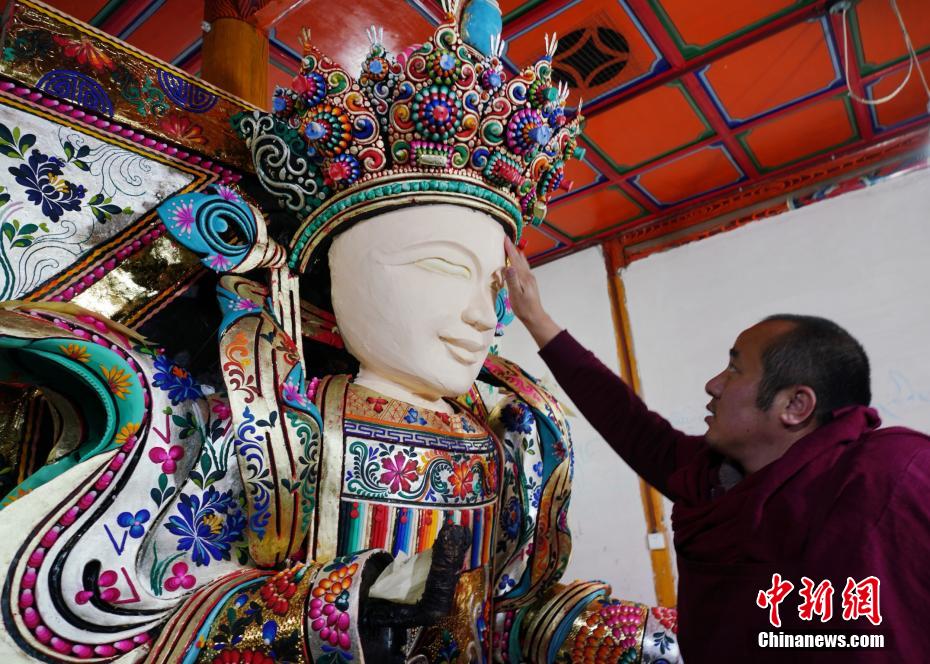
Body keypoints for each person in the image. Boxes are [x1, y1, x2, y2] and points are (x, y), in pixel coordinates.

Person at [503, 237, 930, 662]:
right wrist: (535, 317)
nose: (713, 385)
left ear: (795, 406)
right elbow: (630, 423)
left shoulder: (888, 478)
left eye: (735, 369)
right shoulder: (713, 480)